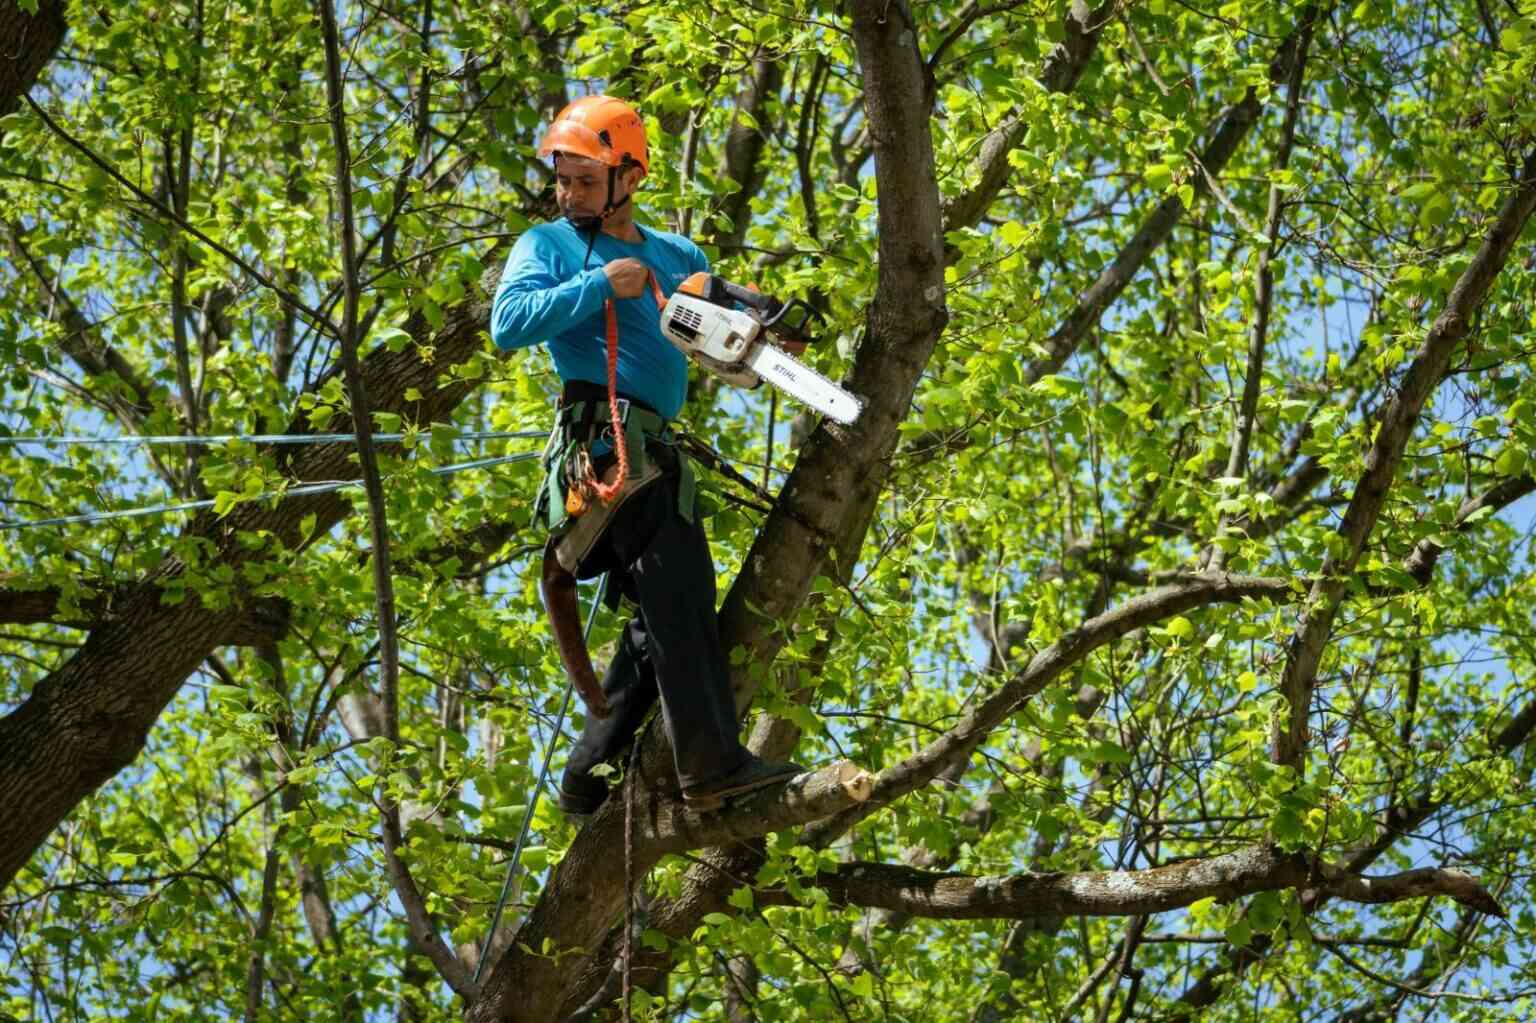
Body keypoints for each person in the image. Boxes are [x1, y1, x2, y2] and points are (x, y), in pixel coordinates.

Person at [490, 95, 801, 815]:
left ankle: (587, 774)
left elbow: (714, 335)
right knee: (678, 576)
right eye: (562, 179)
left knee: (664, 608)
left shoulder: (679, 257)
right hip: (603, 449)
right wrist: (600, 281)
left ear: (629, 176)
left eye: (584, 181)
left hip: (657, 449)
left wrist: (764, 330)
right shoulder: (549, 246)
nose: (568, 194)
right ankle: (710, 761)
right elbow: (507, 324)